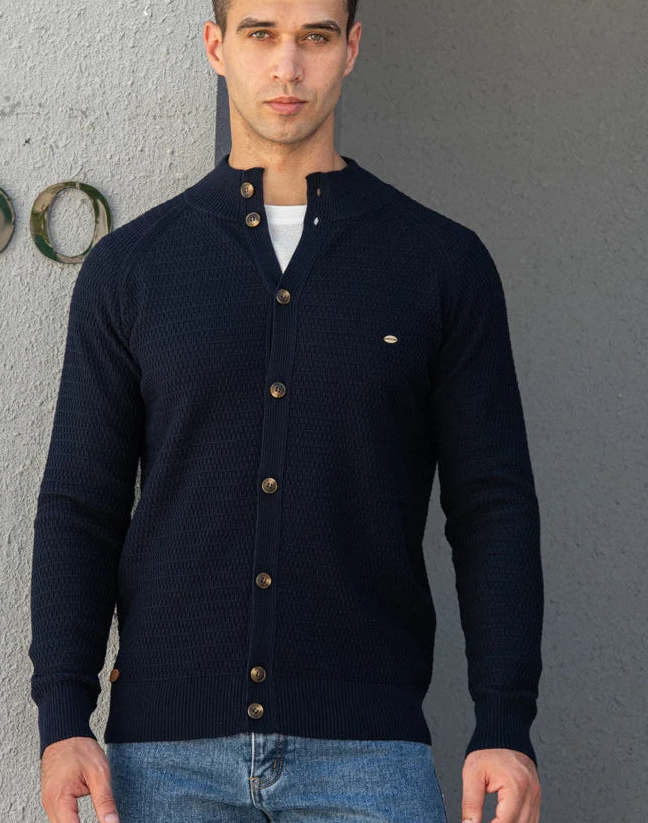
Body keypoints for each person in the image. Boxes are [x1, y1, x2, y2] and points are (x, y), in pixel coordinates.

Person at [28, 1, 544, 822]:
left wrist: (505, 725)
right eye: (261, 34)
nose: (288, 67)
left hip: (369, 754)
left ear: (352, 48)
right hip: (163, 759)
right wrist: (63, 718)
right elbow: (80, 506)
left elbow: (493, 507)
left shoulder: (440, 263)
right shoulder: (132, 268)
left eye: (316, 37)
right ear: (216, 46)